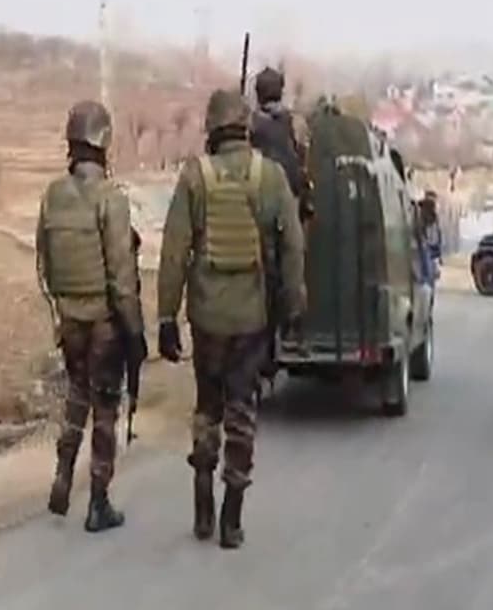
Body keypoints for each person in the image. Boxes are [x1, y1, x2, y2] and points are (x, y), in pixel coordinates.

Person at [157, 88, 306, 549]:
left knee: (208, 408)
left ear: (212, 129)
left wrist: (166, 316)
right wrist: (291, 304)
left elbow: (174, 252)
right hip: (250, 318)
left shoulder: (194, 177)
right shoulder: (270, 177)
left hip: (206, 317)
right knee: (242, 412)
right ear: (247, 128)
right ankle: (231, 521)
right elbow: (293, 246)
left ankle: (202, 508)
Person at [36, 100, 146, 533]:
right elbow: (122, 276)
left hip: (69, 319)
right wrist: (134, 332)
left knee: (75, 397)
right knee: (104, 407)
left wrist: (60, 311)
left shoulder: (52, 196)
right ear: (104, 143)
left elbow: (43, 263)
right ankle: (98, 502)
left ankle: (63, 474)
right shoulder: (110, 200)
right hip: (103, 322)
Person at [249, 66, 311, 219]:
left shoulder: (249, 122)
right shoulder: (296, 122)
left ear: (258, 93)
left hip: (258, 193)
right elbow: (304, 159)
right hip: (290, 193)